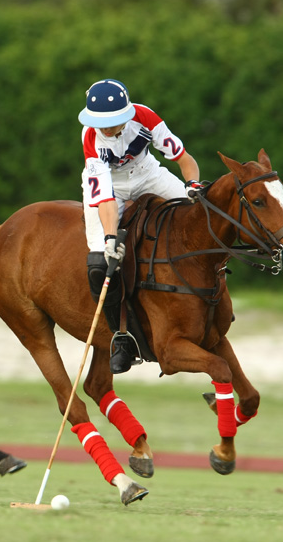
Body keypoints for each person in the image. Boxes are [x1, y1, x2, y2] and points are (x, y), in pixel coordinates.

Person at [78, 79, 200, 373]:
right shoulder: (91, 137)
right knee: (99, 263)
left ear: (127, 113)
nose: (105, 128)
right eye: (100, 122)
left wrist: (193, 185)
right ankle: (121, 338)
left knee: (199, 215)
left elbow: (183, 159)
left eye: (112, 122)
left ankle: (215, 297)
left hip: (148, 174)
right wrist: (110, 238)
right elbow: (105, 197)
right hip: (111, 187)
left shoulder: (145, 117)